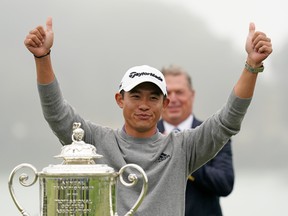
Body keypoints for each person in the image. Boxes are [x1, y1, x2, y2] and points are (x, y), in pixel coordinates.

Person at [24, 17, 272, 216]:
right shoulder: (95, 141)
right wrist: (42, 58)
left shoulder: (182, 147)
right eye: (136, 96)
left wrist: (252, 65)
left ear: (165, 104)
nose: (144, 105)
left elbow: (228, 121)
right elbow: (57, 113)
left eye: (153, 98)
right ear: (120, 99)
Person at [157, 65, 234, 216]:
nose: (173, 99)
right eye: (167, 93)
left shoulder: (213, 133)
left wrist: (182, 154)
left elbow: (224, 184)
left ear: (192, 95)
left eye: (179, 92)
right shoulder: (146, 135)